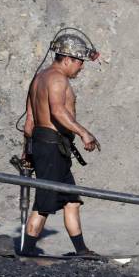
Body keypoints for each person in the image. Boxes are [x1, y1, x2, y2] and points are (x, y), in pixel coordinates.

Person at [20, 33, 101, 256]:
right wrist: (83, 133)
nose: (81, 68)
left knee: (71, 200)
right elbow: (57, 111)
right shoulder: (57, 79)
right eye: (79, 62)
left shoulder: (39, 78)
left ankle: (81, 250)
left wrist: (27, 150)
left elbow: (29, 121)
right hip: (51, 148)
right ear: (67, 59)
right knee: (43, 204)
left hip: (46, 145)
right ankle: (26, 252)